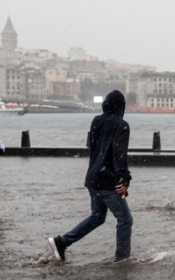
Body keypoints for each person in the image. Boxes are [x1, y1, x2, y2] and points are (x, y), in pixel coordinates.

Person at [46, 90, 133, 263]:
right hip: (108, 181)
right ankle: (122, 260)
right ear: (121, 107)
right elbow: (119, 154)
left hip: (93, 178)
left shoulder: (96, 121)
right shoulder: (122, 125)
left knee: (97, 217)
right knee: (125, 220)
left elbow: (92, 148)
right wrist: (125, 179)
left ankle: (61, 242)